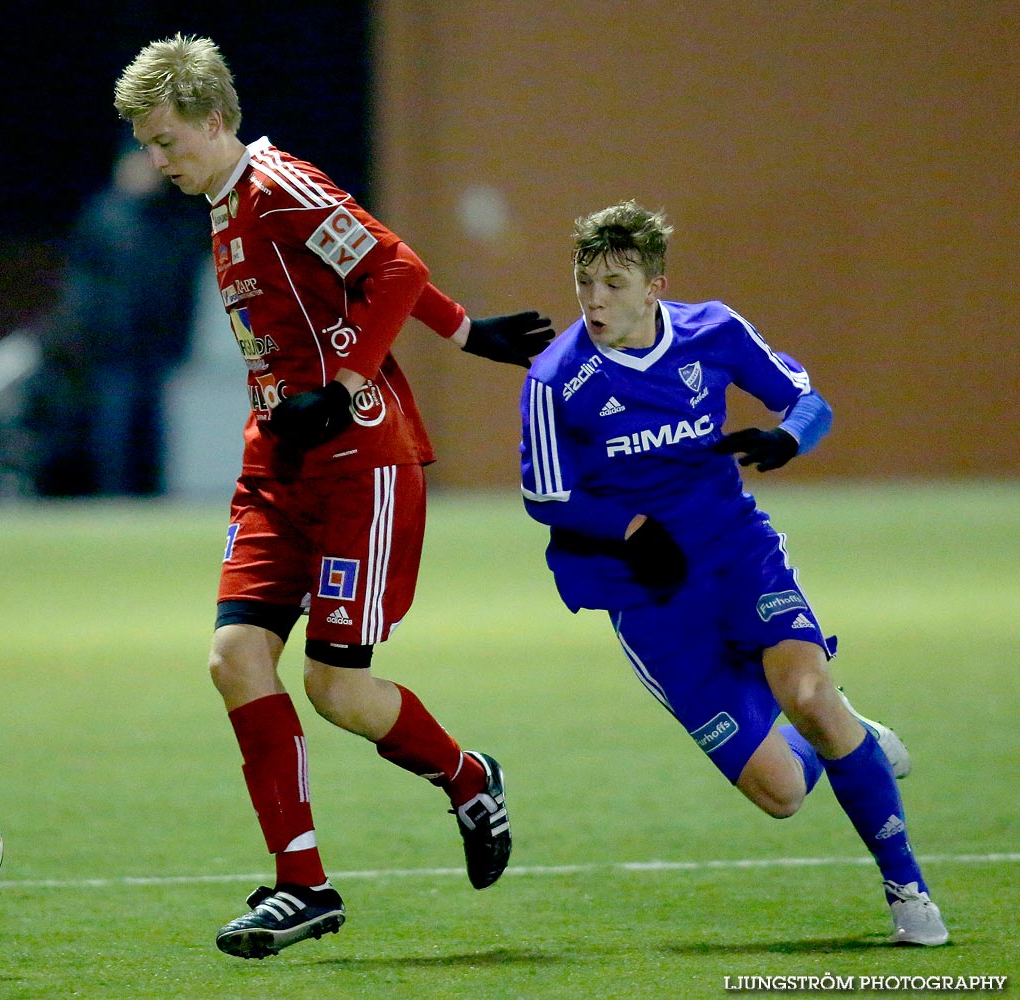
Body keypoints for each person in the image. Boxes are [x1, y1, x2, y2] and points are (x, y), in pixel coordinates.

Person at [113, 33, 554, 959]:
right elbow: (367, 271)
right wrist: (469, 332)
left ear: (217, 119)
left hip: (360, 466)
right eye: (148, 146)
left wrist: (345, 376)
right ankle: (302, 887)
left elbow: (390, 267)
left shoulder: (278, 185)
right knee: (235, 657)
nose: (156, 163)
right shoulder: (223, 200)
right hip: (277, 467)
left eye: (167, 142)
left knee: (335, 688)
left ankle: (469, 777)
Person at [518, 200, 947, 946]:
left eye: (614, 283)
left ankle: (907, 890)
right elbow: (545, 493)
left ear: (654, 285)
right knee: (780, 794)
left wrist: (789, 438)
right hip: (647, 595)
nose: (594, 299)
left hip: (736, 553)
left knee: (807, 692)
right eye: (584, 281)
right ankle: (855, 736)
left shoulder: (713, 329)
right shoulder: (556, 378)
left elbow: (807, 401)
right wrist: (628, 530)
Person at [55, 139, 205, 495]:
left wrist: (180, 341)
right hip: (111, 350)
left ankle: (150, 498)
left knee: (152, 428)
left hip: (155, 349)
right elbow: (82, 285)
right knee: (113, 429)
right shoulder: (102, 218)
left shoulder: (172, 223)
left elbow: (183, 290)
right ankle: (114, 498)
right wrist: (84, 335)